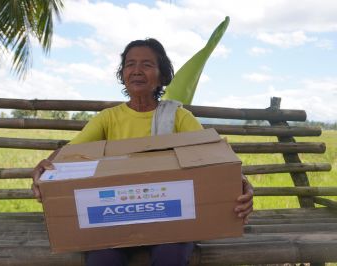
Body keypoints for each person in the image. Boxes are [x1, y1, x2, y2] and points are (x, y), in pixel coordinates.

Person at [32, 38, 254, 266]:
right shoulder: (108, 118)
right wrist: (46, 167)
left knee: (171, 255)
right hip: (116, 218)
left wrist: (241, 183)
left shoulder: (178, 117)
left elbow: (214, 156)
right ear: (123, 73)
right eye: (130, 64)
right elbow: (71, 153)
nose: (137, 70)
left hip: (171, 219)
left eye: (147, 64)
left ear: (162, 75)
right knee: (102, 259)